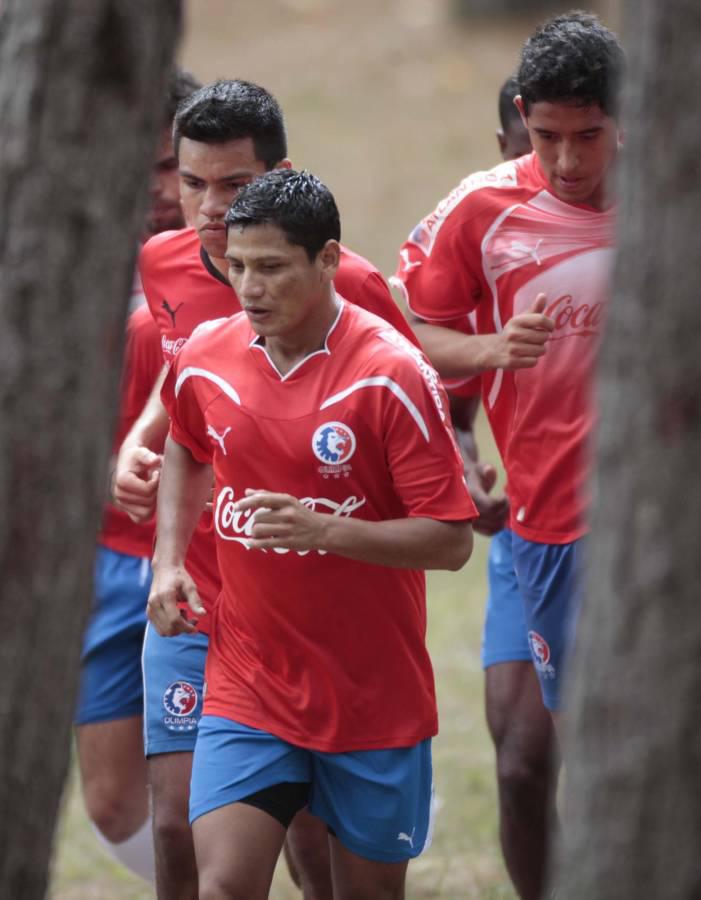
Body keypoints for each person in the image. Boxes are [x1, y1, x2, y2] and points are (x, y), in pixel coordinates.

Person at [112, 79, 420, 900]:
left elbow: (407, 391)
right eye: (191, 182)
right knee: (177, 822)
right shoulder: (160, 262)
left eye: (235, 187)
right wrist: (142, 453)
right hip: (199, 592)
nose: (209, 209)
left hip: (311, 608)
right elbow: (192, 384)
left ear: (278, 174)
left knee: (315, 840)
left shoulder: (348, 285)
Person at [149, 169, 476, 900]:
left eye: (271, 267)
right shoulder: (206, 354)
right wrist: (168, 561)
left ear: (327, 260)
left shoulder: (392, 375)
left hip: (372, 695)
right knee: (223, 886)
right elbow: (184, 443)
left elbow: (451, 540)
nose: (249, 287)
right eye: (235, 267)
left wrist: (326, 531)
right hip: (249, 682)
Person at [393, 13, 624, 899]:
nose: (567, 160)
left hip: (645, 526)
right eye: (548, 136)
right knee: (526, 760)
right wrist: (487, 361)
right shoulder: (483, 209)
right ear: (522, 117)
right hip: (540, 524)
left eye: (589, 137)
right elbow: (414, 328)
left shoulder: (689, 200)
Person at [73, 66, 200, 883]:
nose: (159, 191)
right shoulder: (62, 259)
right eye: (142, 168)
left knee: (200, 796)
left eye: (173, 170)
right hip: (100, 558)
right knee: (116, 803)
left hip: (203, 552)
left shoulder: (235, 256)